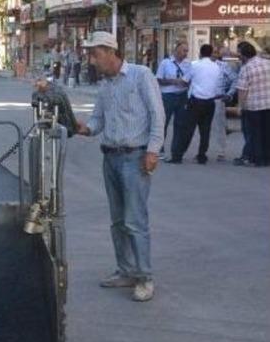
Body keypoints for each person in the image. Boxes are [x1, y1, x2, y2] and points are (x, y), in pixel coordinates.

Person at [75, 31, 164, 303]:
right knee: (117, 221)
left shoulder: (140, 75)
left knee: (135, 220)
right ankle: (125, 270)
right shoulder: (106, 86)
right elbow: (97, 119)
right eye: (90, 54)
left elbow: (157, 114)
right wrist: (84, 128)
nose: (92, 60)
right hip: (110, 158)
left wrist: (152, 150)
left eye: (95, 54)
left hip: (134, 157)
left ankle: (144, 277)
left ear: (111, 52)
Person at [168, 44, 224, 164]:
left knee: (188, 129)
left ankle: (177, 156)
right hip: (210, 102)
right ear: (210, 54)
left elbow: (184, 81)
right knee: (205, 131)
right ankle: (202, 155)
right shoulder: (216, 67)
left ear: (200, 53)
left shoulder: (195, 65)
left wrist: (175, 82)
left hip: (196, 101)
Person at [234, 41, 270, 167]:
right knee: (266, 132)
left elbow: (242, 90)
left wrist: (239, 106)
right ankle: (267, 158)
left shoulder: (246, 68)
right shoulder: (267, 63)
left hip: (253, 106)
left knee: (254, 134)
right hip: (268, 104)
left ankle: (257, 159)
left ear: (244, 56)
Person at [156, 42, 191, 154]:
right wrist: (173, 81)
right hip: (168, 96)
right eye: (183, 50)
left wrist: (186, 83)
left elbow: (190, 80)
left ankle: (176, 151)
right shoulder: (165, 63)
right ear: (176, 50)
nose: (185, 53)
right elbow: (159, 79)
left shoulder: (188, 64)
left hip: (182, 96)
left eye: (187, 51)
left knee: (180, 125)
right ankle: (159, 149)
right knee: (163, 123)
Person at [210, 47, 239, 161]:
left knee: (219, 126)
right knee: (201, 127)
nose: (213, 54)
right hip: (201, 100)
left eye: (215, 52)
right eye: (211, 52)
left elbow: (235, 79)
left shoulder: (223, 66)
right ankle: (201, 151)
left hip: (218, 99)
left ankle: (220, 151)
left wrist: (229, 94)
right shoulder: (198, 65)